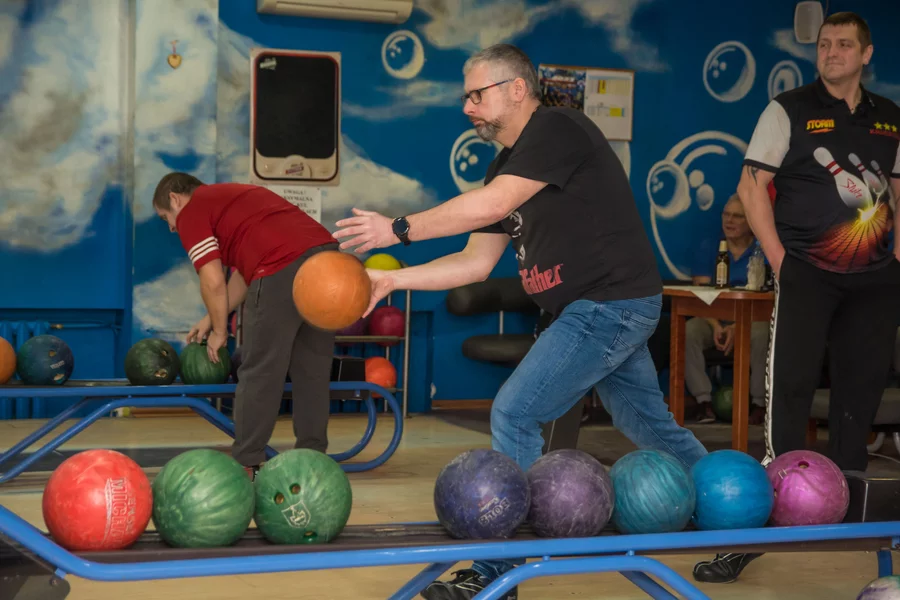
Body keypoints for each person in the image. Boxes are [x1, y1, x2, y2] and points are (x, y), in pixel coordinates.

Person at [333, 43, 708, 600]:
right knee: (646, 424)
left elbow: (488, 206)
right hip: (599, 308)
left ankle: (502, 570)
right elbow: (475, 262)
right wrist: (394, 280)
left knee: (514, 413)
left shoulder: (559, 129)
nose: (468, 107)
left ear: (516, 89)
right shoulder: (504, 166)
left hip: (607, 304)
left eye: (477, 94)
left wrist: (400, 229)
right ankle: (732, 506)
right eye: (465, 97)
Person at [692, 11, 900, 584]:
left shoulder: (890, 119)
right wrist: (782, 261)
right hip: (808, 271)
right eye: (824, 44)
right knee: (788, 396)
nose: (831, 52)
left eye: (843, 44)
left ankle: (854, 526)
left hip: (876, 281)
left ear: (865, 53)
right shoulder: (788, 109)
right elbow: (751, 186)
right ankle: (762, 527)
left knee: (858, 401)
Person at [152, 173, 340, 479]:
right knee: (313, 372)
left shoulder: (193, 210)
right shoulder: (232, 198)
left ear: (175, 198)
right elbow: (242, 274)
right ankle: (314, 460)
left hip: (281, 267)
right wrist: (211, 318)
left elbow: (212, 281)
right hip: (329, 263)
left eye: (165, 218)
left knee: (260, 371)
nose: (172, 228)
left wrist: (219, 332)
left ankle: (246, 463)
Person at [687, 194, 769, 424]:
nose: (729, 221)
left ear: (751, 221)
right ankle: (703, 401)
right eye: (726, 215)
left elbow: (769, 297)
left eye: (738, 216)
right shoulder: (709, 246)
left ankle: (759, 404)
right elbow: (699, 294)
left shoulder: (762, 251)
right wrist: (715, 324)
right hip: (713, 318)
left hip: (751, 319)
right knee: (689, 331)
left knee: (763, 333)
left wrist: (738, 326)